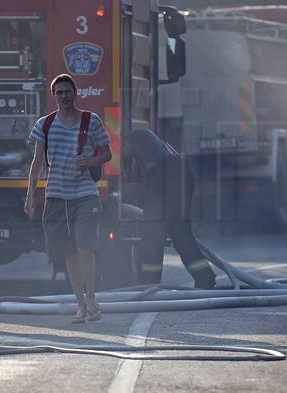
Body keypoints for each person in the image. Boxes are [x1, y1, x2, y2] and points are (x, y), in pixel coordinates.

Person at [24, 74, 112, 324]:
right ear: (53, 96)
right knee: (69, 252)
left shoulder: (90, 121)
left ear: (75, 93)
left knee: (85, 245)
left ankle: (92, 297)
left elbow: (107, 153)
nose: (64, 96)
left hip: (85, 194)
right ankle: (81, 305)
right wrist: (30, 195)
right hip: (56, 196)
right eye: (59, 92)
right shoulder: (45, 124)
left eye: (67, 91)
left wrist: (91, 160)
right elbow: (37, 162)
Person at [123, 129, 217, 289]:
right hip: (178, 173)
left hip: (168, 176)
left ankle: (149, 284)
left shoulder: (131, 140)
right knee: (168, 232)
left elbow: (130, 178)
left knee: (160, 233)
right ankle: (203, 278)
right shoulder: (146, 140)